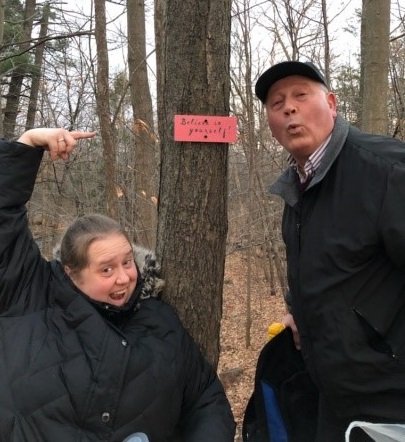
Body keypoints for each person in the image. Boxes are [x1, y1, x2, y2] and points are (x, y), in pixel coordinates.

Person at [0, 128, 236, 442]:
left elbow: (206, 400)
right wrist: (27, 144)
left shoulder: (160, 321)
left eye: (127, 262)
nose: (123, 277)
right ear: (71, 273)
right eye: (106, 269)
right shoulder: (30, 298)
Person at [254, 60, 405, 441]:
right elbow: (324, 266)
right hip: (332, 395)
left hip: (390, 398)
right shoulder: (297, 186)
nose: (289, 107)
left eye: (301, 95)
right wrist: (297, 311)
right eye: (276, 103)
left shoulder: (385, 171)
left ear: (332, 103)